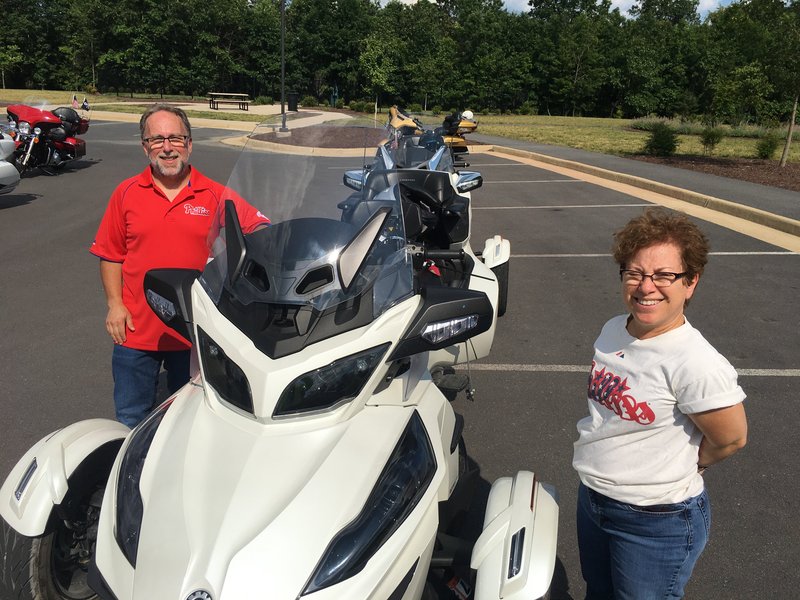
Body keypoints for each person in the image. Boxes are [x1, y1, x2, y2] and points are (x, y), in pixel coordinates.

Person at [572, 208, 748, 600]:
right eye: (635, 273)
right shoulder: (614, 328)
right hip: (594, 499)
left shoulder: (695, 362)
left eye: (665, 275)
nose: (646, 286)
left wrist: (689, 464)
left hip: (655, 520)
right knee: (598, 593)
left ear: (691, 282)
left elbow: (731, 439)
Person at [90, 103, 269, 428]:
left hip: (192, 332)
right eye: (157, 139)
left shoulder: (214, 194)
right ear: (145, 146)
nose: (167, 147)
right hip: (135, 331)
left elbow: (259, 230)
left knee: (187, 421)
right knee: (131, 419)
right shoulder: (126, 193)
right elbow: (111, 254)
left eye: (175, 138)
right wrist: (115, 305)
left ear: (189, 143)